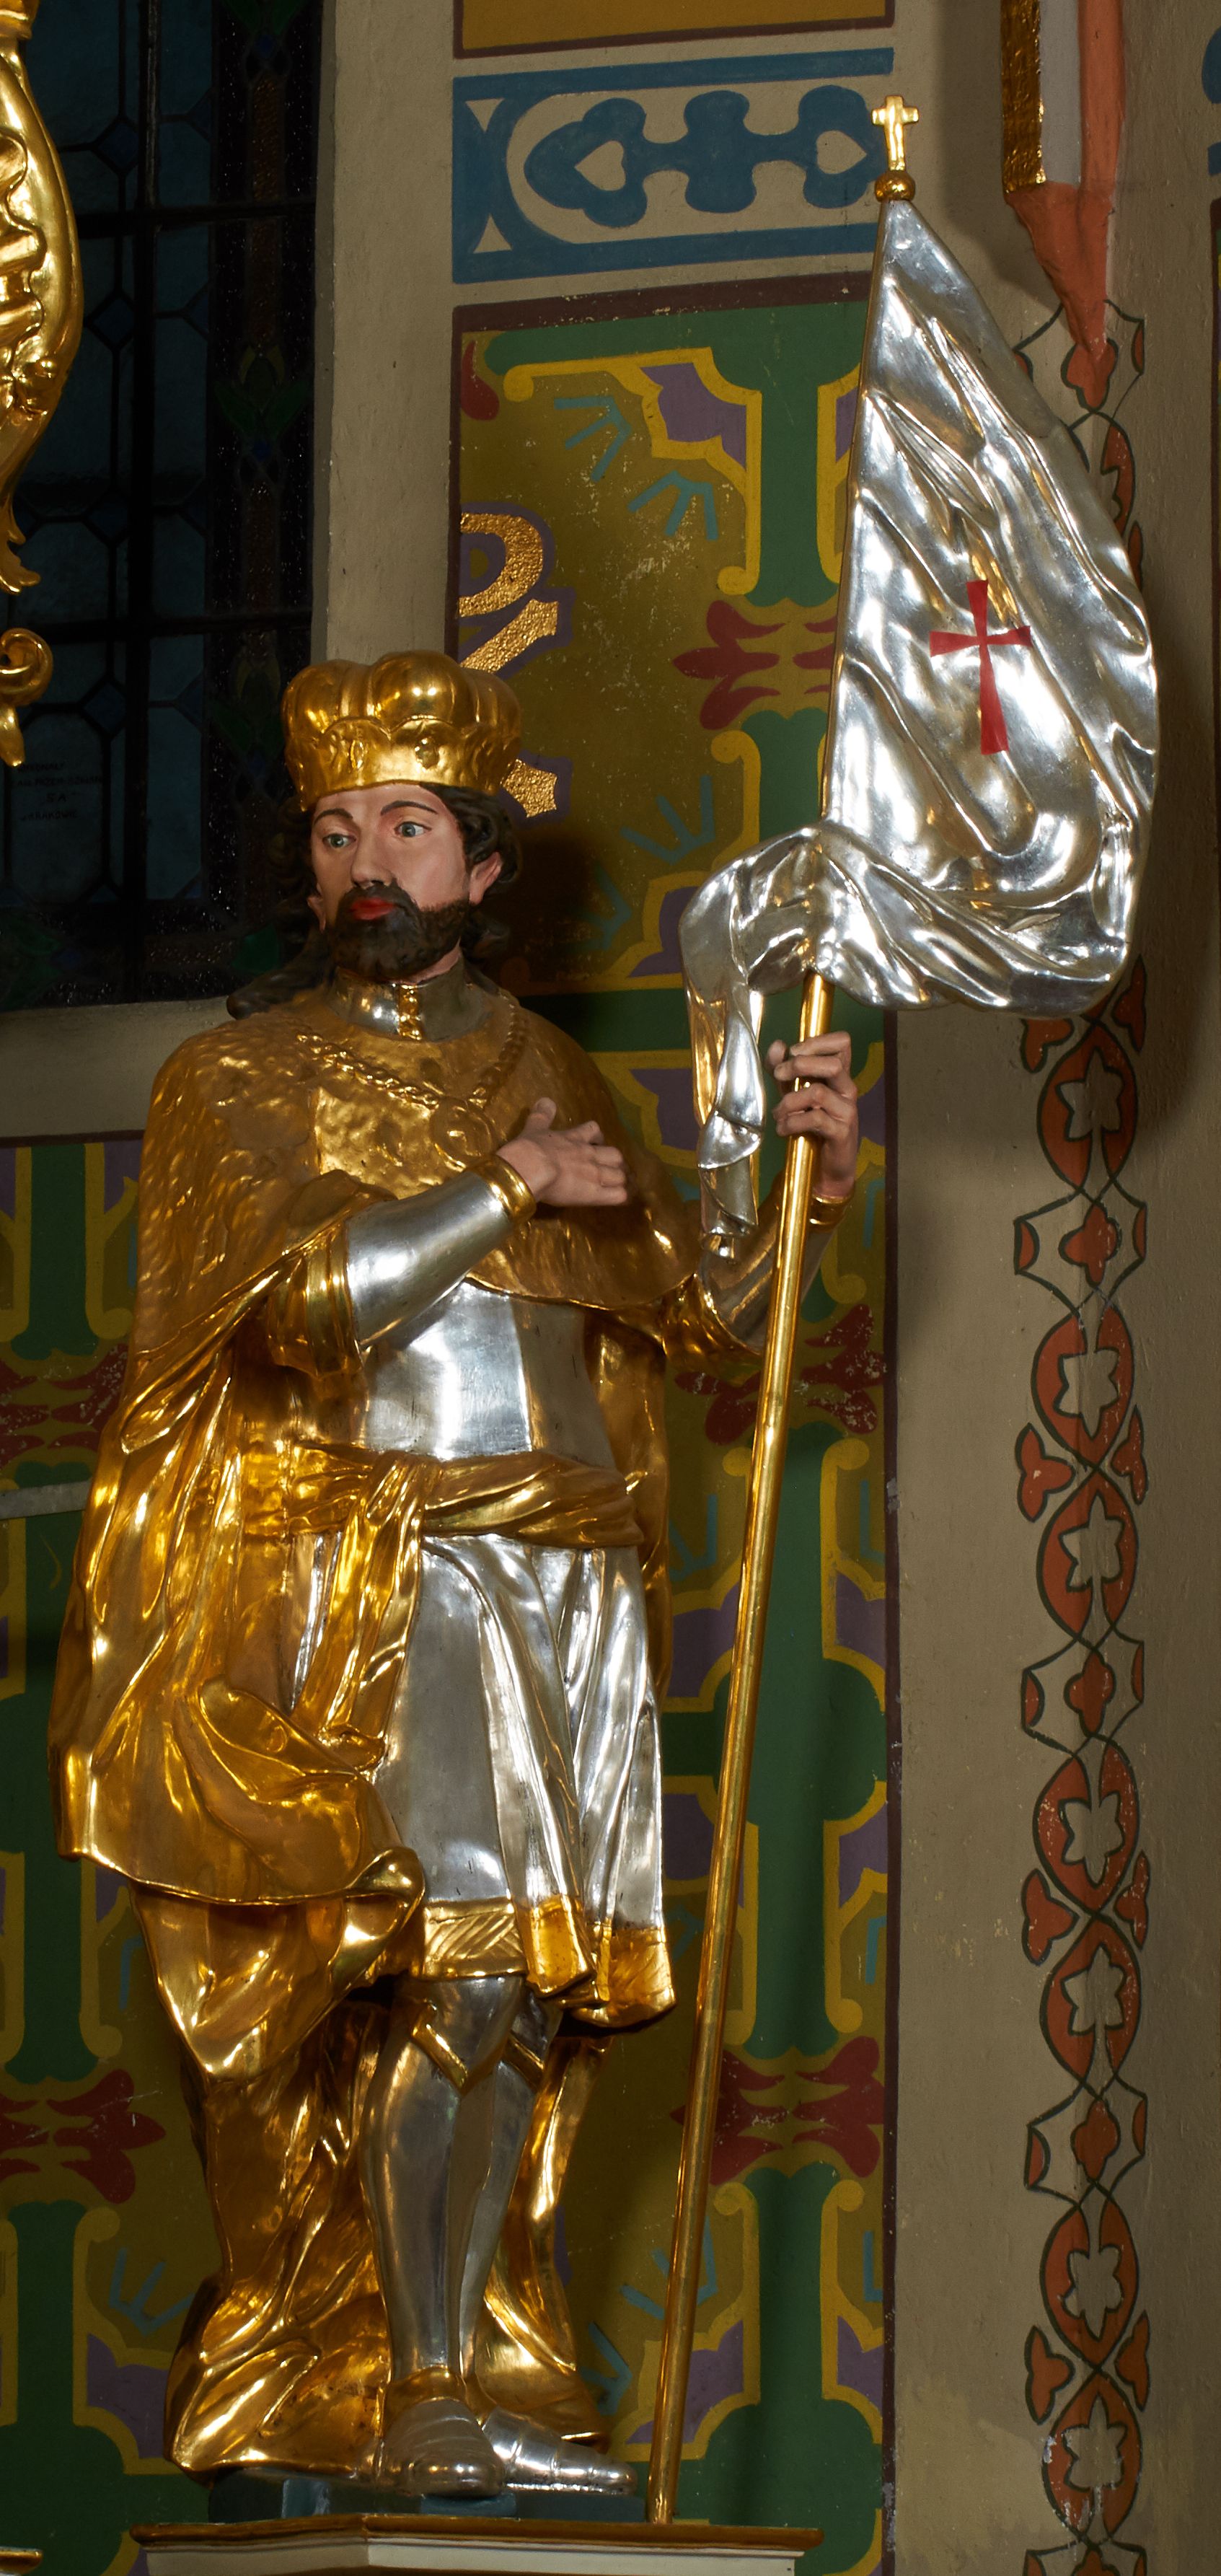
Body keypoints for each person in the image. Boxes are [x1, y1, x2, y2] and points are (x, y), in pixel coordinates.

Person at [48, 653, 859, 2499]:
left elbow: (687, 1316)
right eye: (338, 829)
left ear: (481, 865)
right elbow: (292, 1310)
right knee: (457, 1976)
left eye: (407, 828)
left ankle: (486, 2353)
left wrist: (791, 1188)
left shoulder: (549, 1068)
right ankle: (411, 2375)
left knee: (536, 2000)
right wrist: (503, 1187)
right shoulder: (237, 1080)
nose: (367, 862)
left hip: (567, 1582)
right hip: (387, 1576)